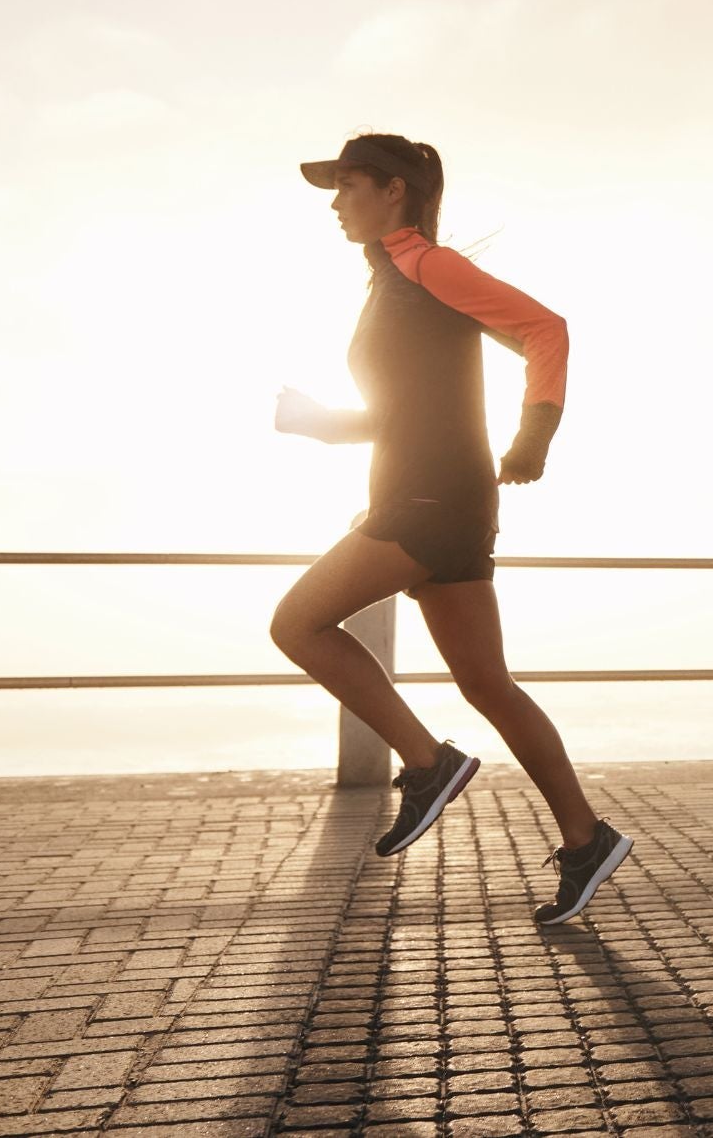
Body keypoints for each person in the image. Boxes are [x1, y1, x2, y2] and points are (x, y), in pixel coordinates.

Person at [269, 133, 630, 924]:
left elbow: (547, 327)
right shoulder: (391, 283)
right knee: (486, 682)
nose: (336, 203)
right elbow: (401, 414)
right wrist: (319, 425)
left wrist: (534, 436)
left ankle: (428, 762)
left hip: (432, 501)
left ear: (393, 191)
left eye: (349, 185)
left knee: (296, 624)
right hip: (436, 499)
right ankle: (586, 838)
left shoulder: (429, 266)